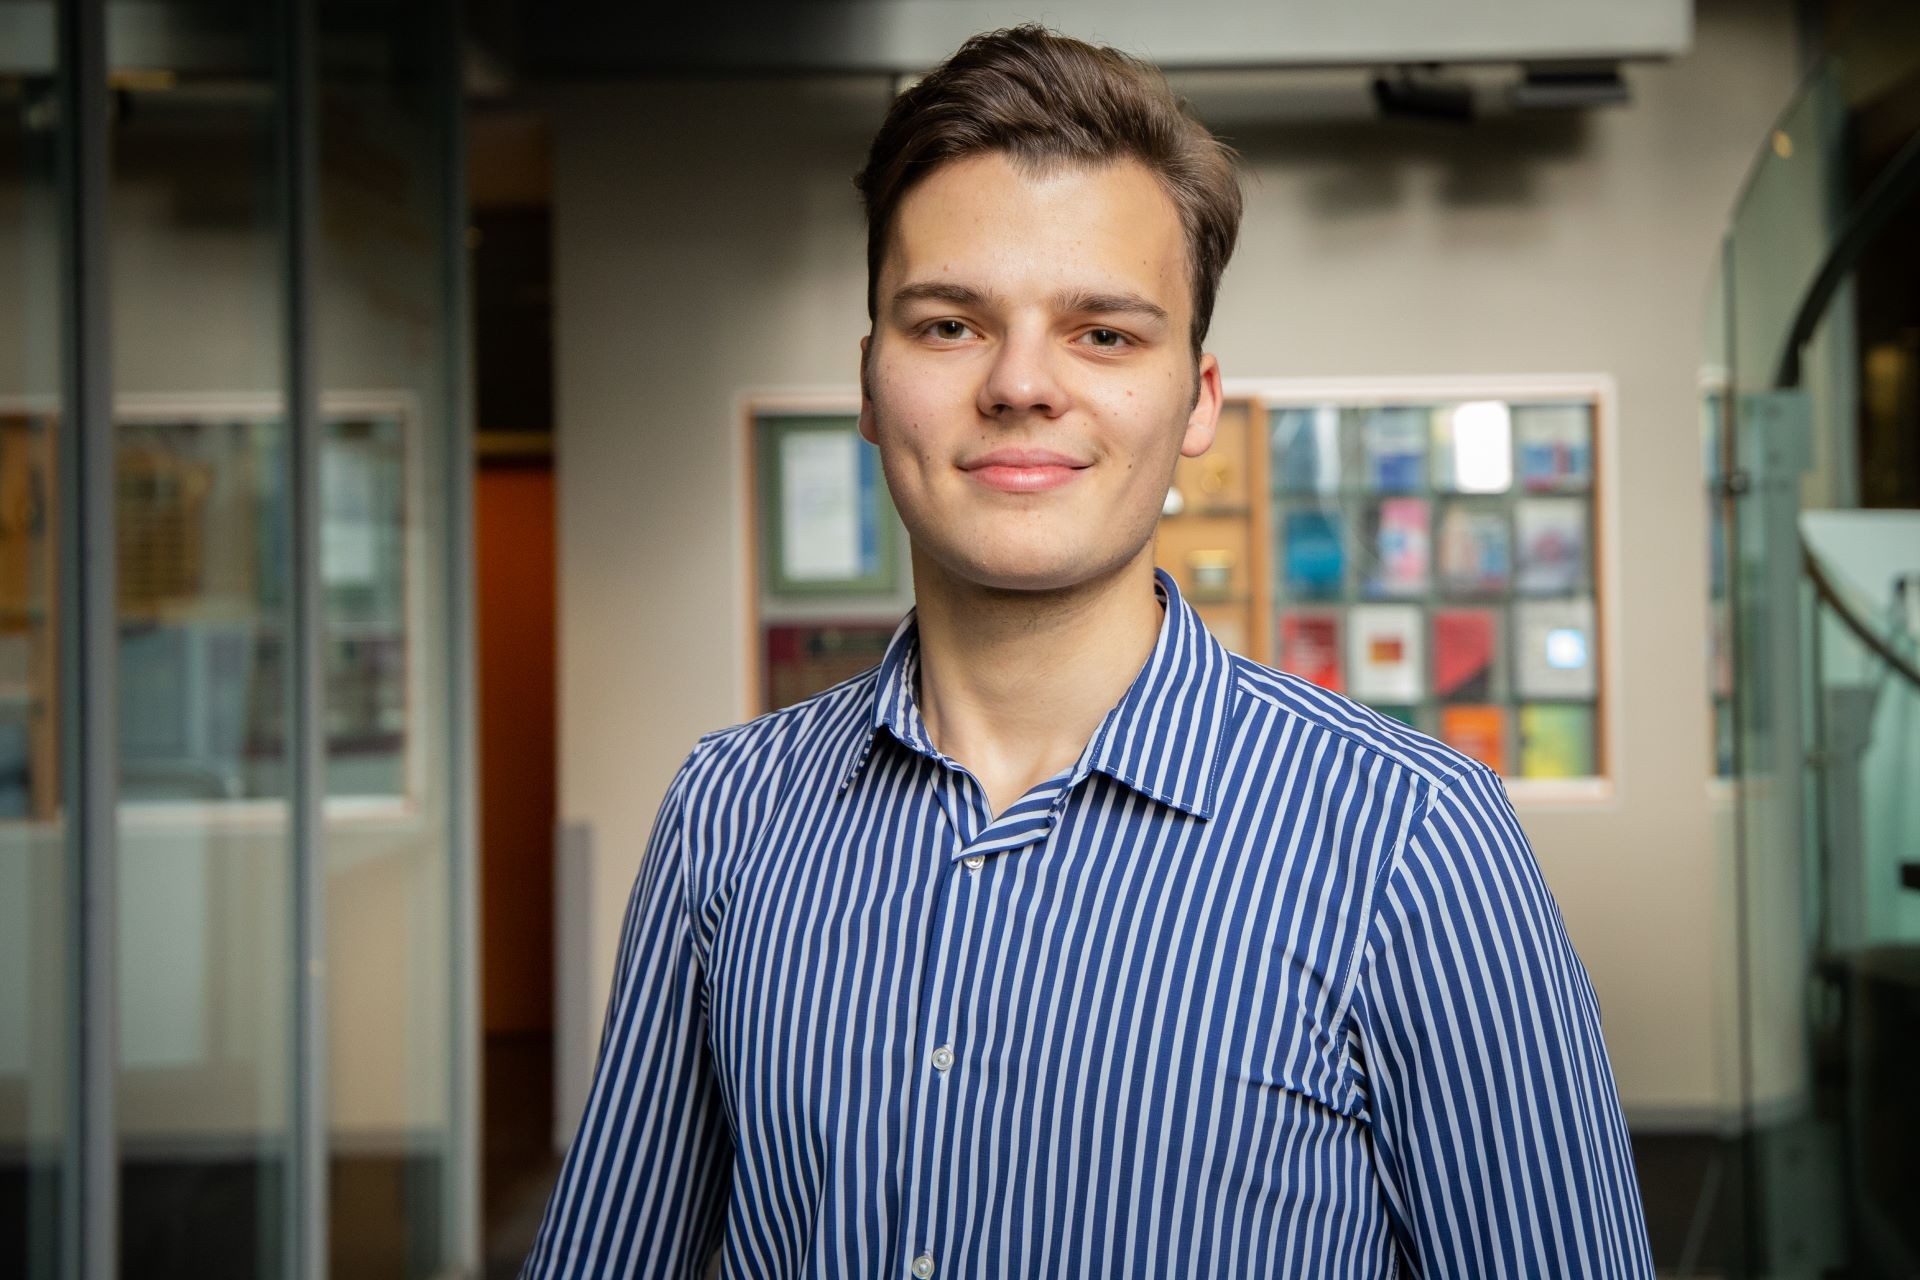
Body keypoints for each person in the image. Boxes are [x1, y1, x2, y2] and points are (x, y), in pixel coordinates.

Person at [522, 25, 1655, 1280]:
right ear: (868, 380)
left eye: (1103, 333)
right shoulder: (727, 814)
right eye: (950, 324)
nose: (1021, 383)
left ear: (1198, 398)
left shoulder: (1411, 839)